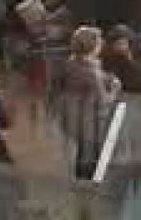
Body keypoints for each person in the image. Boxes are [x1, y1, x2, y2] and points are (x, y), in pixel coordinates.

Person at [55, 26, 121, 179]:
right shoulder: (90, 72)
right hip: (91, 122)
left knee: (82, 159)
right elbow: (103, 100)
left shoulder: (70, 64)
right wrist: (115, 89)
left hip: (74, 117)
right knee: (93, 164)